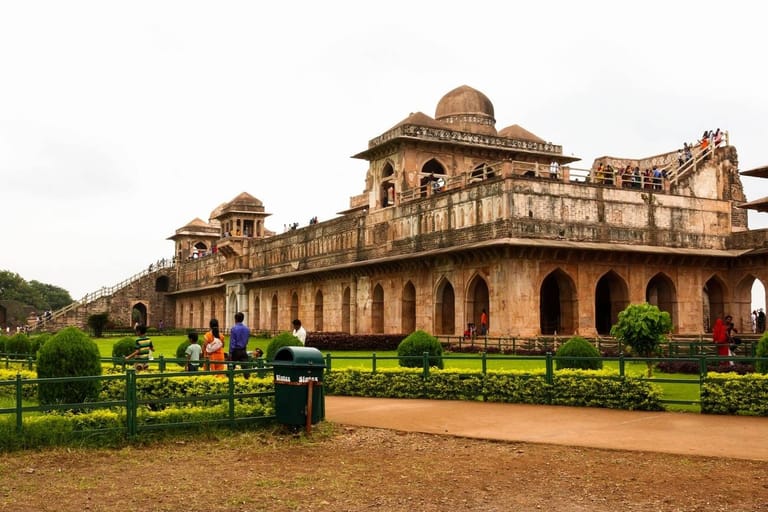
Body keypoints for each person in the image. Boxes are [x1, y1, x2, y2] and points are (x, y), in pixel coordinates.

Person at [229, 312, 251, 378]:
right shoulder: (247, 329)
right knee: (246, 369)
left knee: (231, 368)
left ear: (235, 319)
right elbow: (247, 340)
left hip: (235, 350)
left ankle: (229, 381)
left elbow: (232, 342)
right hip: (243, 350)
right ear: (243, 319)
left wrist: (230, 352)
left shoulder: (234, 329)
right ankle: (248, 381)